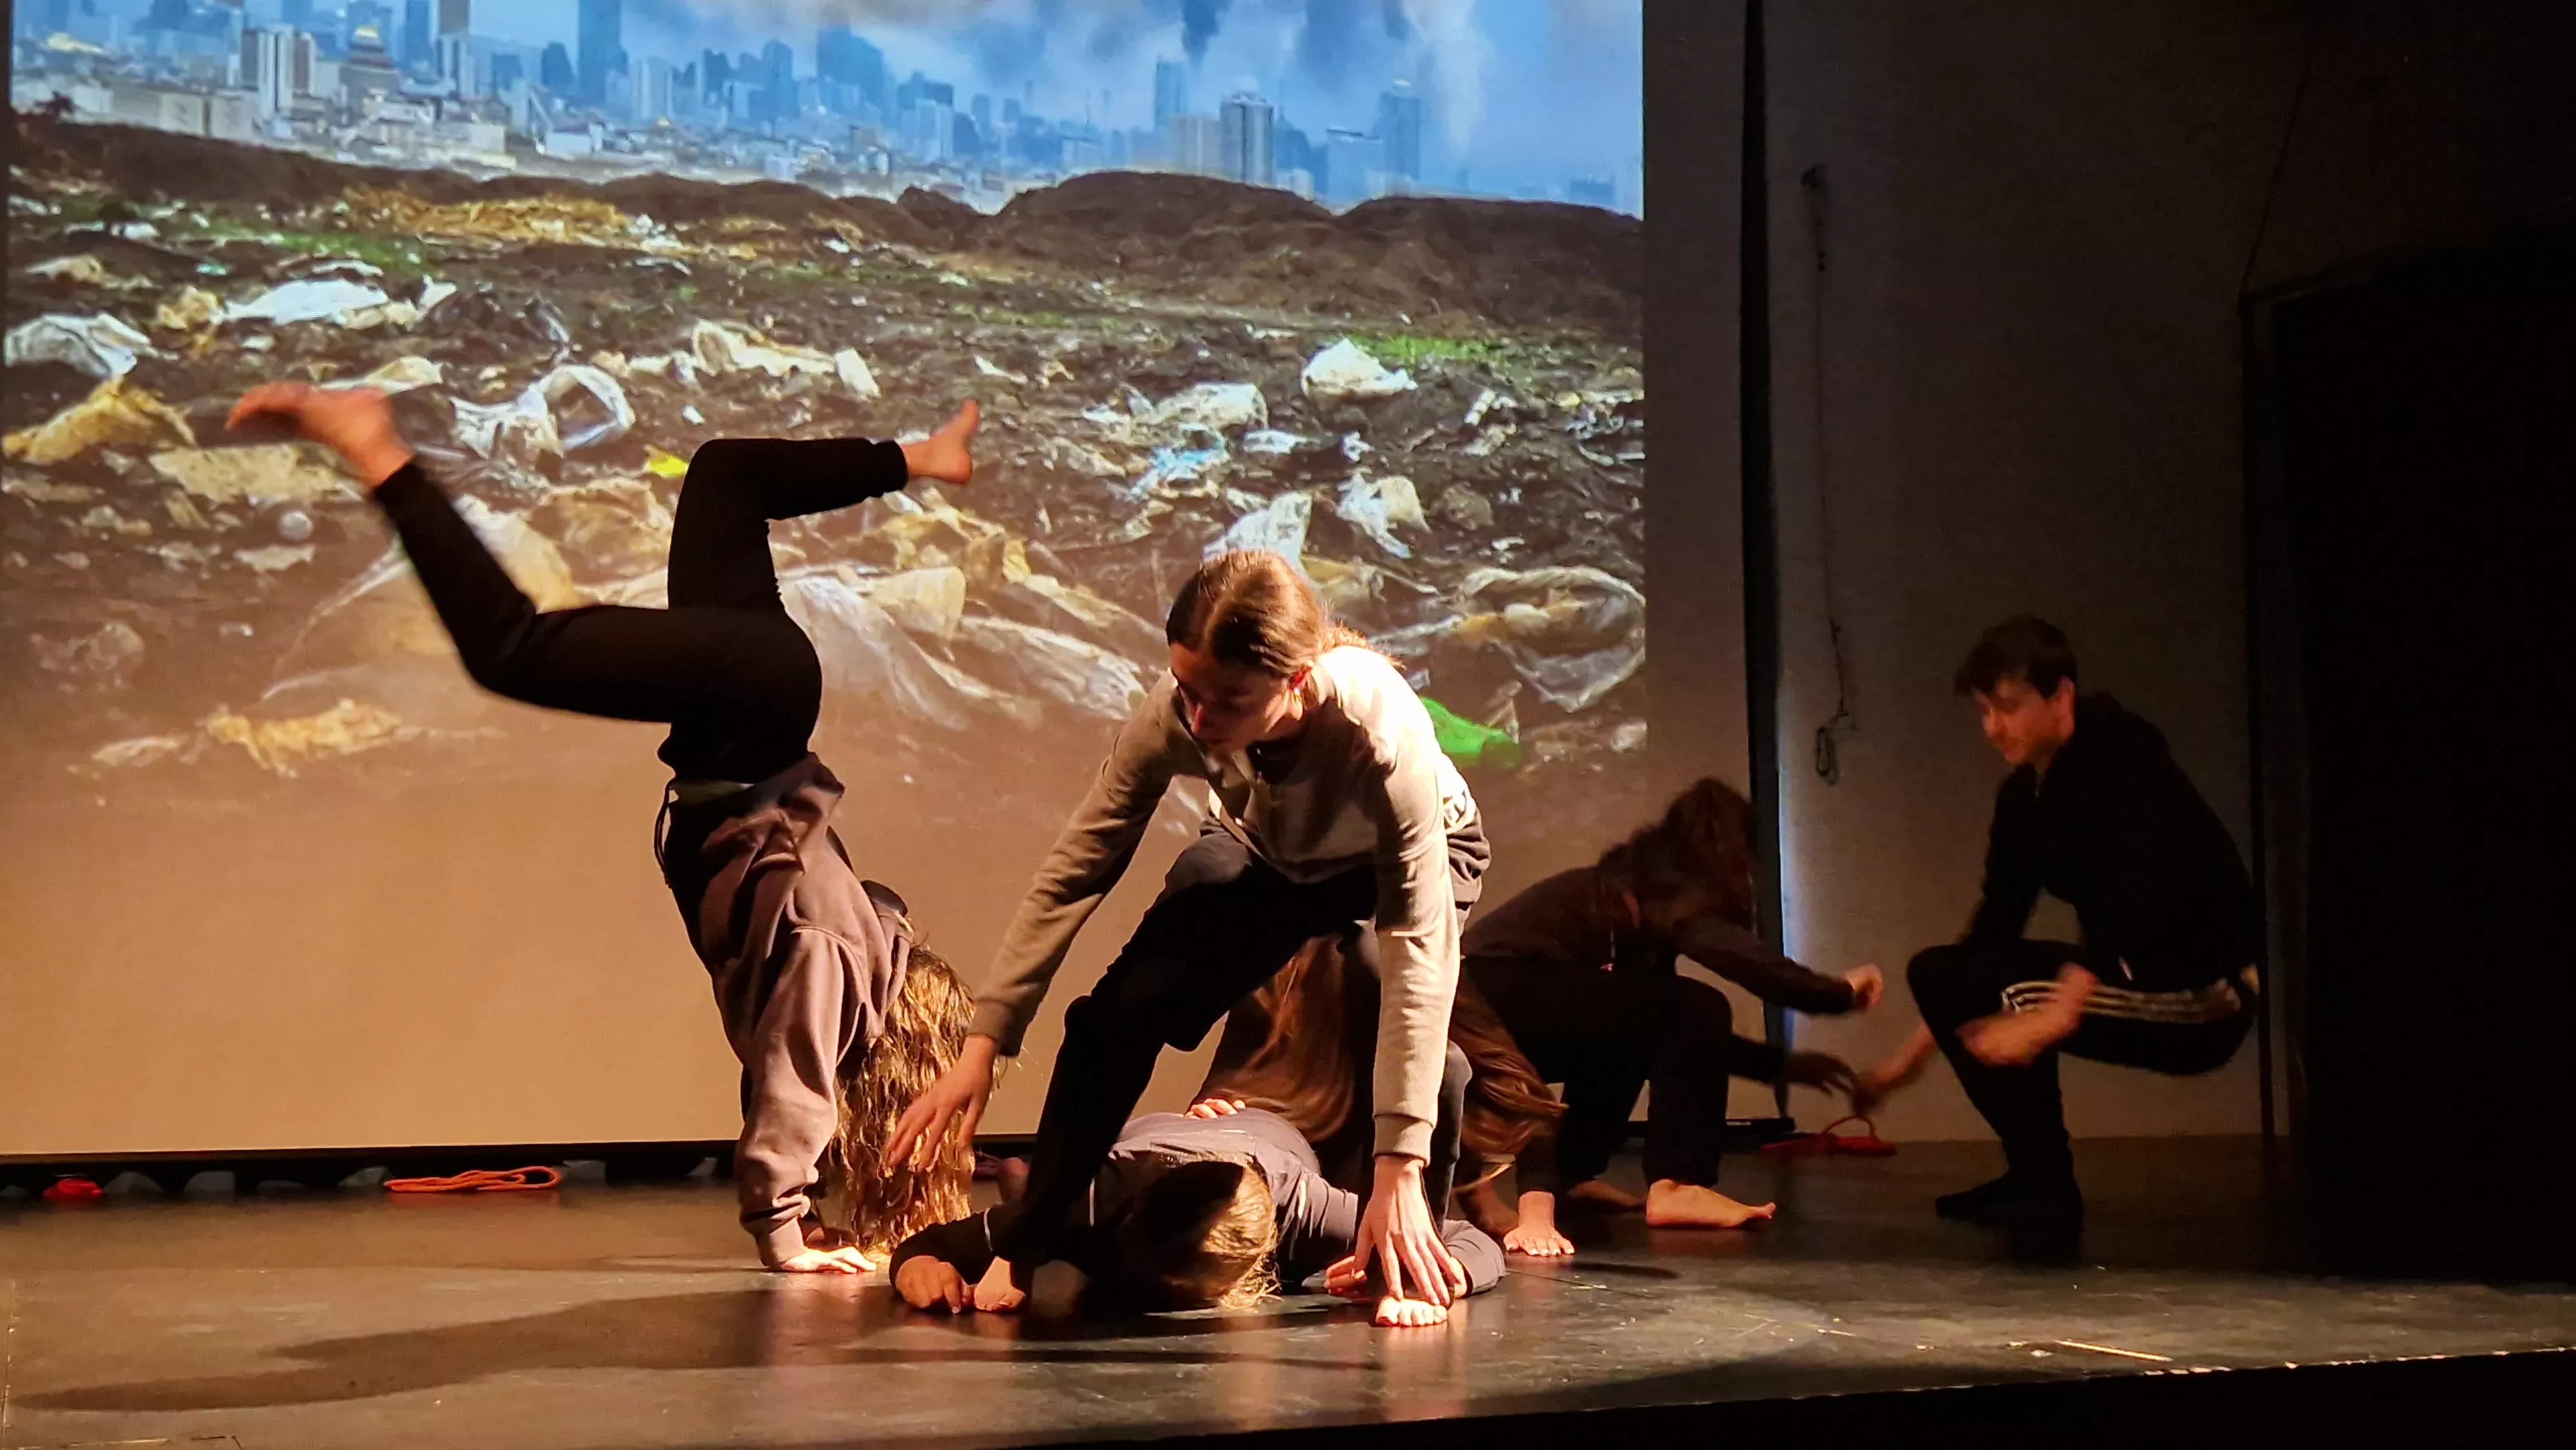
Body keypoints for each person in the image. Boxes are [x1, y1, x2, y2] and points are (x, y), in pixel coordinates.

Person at [223, 382, 987, 1271]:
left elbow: (783, 1068)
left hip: (758, 721)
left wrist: (807, 1203)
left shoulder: (850, 950)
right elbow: (795, 1080)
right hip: (746, 714)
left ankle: (923, 457)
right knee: (512, 648)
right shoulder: (827, 959)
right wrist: (781, 1227)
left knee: (724, 475)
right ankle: (372, 444)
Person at [884, 550, 1486, 1320]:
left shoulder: (1377, 731)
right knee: (1117, 1014)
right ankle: (1029, 1233)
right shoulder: (1174, 714)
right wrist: (984, 1043)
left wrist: (1398, 1158)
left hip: (1401, 859)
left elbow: (1419, 947)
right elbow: (1077, 867)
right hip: (1267, 852)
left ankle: (1406, 1249)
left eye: (1229, 701)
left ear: (1297, 680)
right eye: (1187, 689)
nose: (1199, 721)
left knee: (1391, 1002)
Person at [1853, 617, 2260, 1229]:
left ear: (2061, 697)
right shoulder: (2023, 799)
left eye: (2009, 707)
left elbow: (2128, 901)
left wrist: (2056, 1014)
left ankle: (2045, 1187)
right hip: (2126, 975)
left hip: (2208, 992)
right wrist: (1904, 1065)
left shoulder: (2124, 761)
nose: (1993, 728)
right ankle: (2036, 1180)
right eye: (1984, 711)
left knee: (2015, 996)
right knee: (1942, 972)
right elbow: (1993, 932)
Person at [1456, 778, 1880, 1252]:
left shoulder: (1639, 898)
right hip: (1486, 997)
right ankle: (1677, 1183)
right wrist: (1837, 992)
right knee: (1693, 1005)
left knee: (1641, 1028)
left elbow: (1683, 1040)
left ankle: (1572, 1177)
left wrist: (1780, 1065)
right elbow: (1737, 962)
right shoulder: (1664, 889)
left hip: (1505, 995)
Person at [892, 1100, 1505, 1328]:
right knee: (1039, 1214)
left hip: (1271, 1133)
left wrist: (1429, 1282)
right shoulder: (1094, 1197)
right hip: (1160, 1136)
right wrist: (918, 1268)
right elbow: (928, 1245)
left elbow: (1470, 1241)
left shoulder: (1309, 1213)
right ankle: (1027, 1186)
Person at [1188, 930, 1564, 1219]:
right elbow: (1228, 1075)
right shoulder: (1279, 970)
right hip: (1299, 1162)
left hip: (1353, 1173)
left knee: (1442, 1071)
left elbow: (1510, 1084)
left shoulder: (1399, 962)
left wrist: (1533, 1213)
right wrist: (1207, 1113)